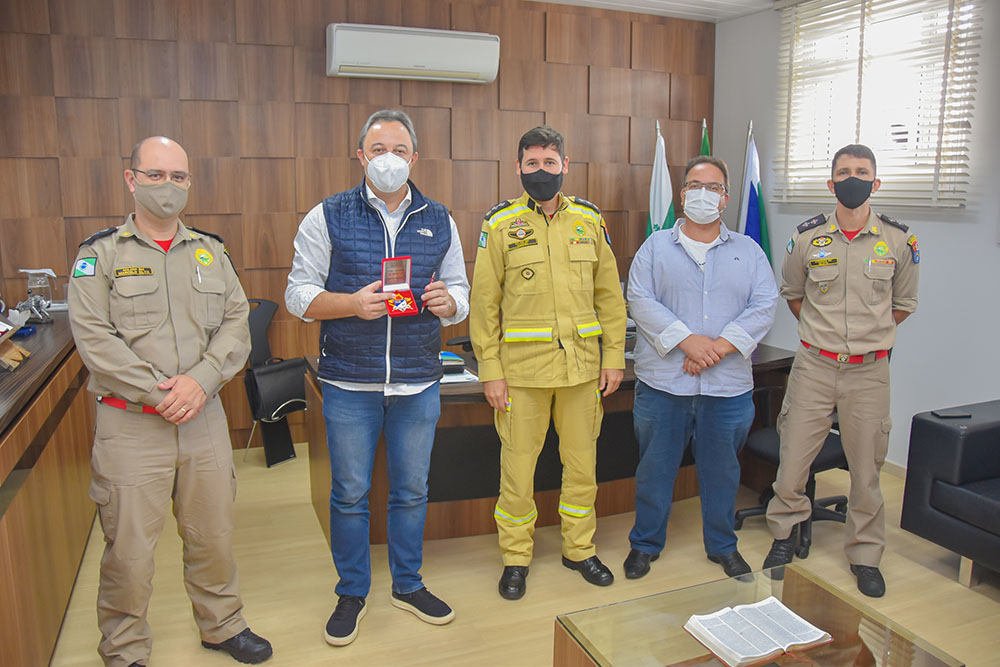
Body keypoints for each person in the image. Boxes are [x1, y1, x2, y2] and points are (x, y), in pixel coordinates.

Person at [68, 136, 272, 667]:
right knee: (129, 553)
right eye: (155, 175)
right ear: (131, 179)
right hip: (132, 424)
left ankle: (222, 626)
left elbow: (236, 322)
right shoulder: (100, 255)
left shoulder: (211, 250)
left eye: (178, 177)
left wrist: (201, 381)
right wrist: (161, 391)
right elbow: (94, 339)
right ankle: (124, 649)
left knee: (213, 537)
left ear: (189, 184)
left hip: (202, 418)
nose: (168, 186)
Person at [285, 109, 468, 646]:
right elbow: (299, 294)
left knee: (412, 491)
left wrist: (447, 301)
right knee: (349, 494)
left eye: (399, 149)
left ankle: (408, 585)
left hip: (417, 382)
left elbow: (460, 290)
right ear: (360, 155)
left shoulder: (440, 217)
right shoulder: (327, 216)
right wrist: (349, 304)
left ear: (415, 157)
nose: (389, 157)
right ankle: (352, 591)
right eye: (378, 148)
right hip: (348, 384)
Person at [469, 126, 627, 600]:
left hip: (581, 370)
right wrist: (491, 370)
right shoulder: (500, 224)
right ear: (518, 168)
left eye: (550, 163)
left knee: (581, 467)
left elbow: (609, 296)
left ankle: (579, 549)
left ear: (564, 165)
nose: (542, 171)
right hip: (521, 374)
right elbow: (484, 304)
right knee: (518, 471)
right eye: (532, 164)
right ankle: (516, 557)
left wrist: (613, 357)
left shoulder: (588, 220)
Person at [762, 144, 919, 597]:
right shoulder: (809, 237)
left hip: (869, 372)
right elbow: (793, 294)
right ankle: (784, 533)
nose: (853, 179)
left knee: (867, 471)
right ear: (831, 184)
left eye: (862, 172)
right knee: (793, 459)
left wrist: (867, 339)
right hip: (813, 365)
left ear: (876, 182)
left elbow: (903, 304)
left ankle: (865, 555)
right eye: (844, 172)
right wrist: (824, 335)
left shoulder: (899, 241)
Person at [624, 156, 778, 581]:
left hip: (726, 388)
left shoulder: (749, 252)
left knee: (723, 472)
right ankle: (645, 545)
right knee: (654, 470)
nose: (703, 194)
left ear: (725, 198)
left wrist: (717, 348)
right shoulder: (654, 247)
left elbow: (764, 306)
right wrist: (689, 341)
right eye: (695, 185)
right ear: (682, 194)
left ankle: (723, 546)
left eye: (712, 187)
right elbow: (640, 300)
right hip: (663, 385)